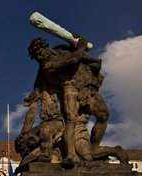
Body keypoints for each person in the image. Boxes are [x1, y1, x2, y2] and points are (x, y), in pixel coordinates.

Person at [24, 35, 109, 166]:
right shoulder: (47, 65)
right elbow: (73, 60)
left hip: (86, 87)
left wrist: (81, 48)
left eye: (40, 52)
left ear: (46, 47)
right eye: (37, 56)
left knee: (103, 115)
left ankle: (95, 147)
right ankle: (70, 154)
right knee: (71, 119)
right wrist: (81, 46)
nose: (40, 57)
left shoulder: (61, 50)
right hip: (69, 88)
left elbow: (86, 60)